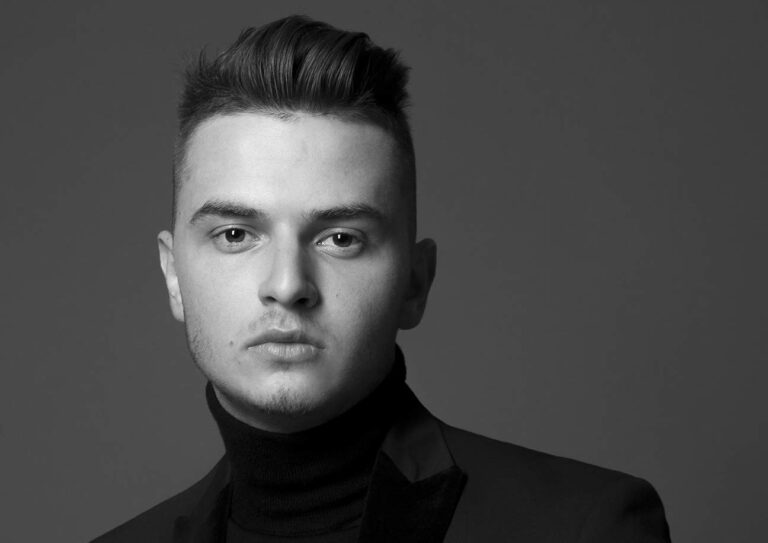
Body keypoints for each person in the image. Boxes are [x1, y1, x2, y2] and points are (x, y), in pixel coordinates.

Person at [93, 15, 671, 542]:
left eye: (341, 239)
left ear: (415, 283)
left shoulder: (586, 527)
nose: (287, 285)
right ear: (173, 274)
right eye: (236, 235)